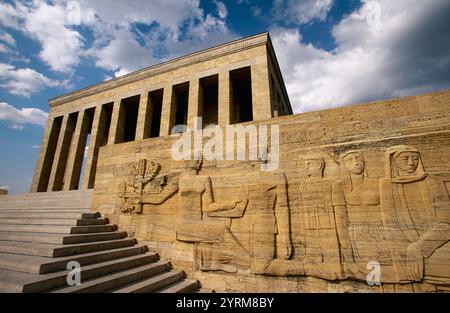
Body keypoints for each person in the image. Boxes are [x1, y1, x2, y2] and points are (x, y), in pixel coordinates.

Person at [380, 145, 450, 282]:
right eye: (405, 159)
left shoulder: (433, 181)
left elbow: (446, 222)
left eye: (415, 158)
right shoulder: (387, 185)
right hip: (402, 250)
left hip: (435, 244)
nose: (411, 163)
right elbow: (391, 226)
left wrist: (420, 245)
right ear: (393, 162)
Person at [332, 150, 391, 281]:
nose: (356, 162)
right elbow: (340, 218)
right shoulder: (339, 187)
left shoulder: (378, 183)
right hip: (357, 235)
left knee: (386, 274)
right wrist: (345, 245)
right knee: (370, 276)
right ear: (344, 165)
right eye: (350, 160)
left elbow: (388, 211)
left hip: (381, 232)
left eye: (358, 158)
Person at [298, 152, 342, 280]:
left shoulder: (329, 184)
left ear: (319, 166)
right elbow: (300, 211)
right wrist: (302, 233)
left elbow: (336, 209)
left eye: (309, 164)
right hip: (309, 225)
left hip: (328, 225)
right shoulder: (303, 185)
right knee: (312, 259)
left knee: (332, 259)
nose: (306, 168)